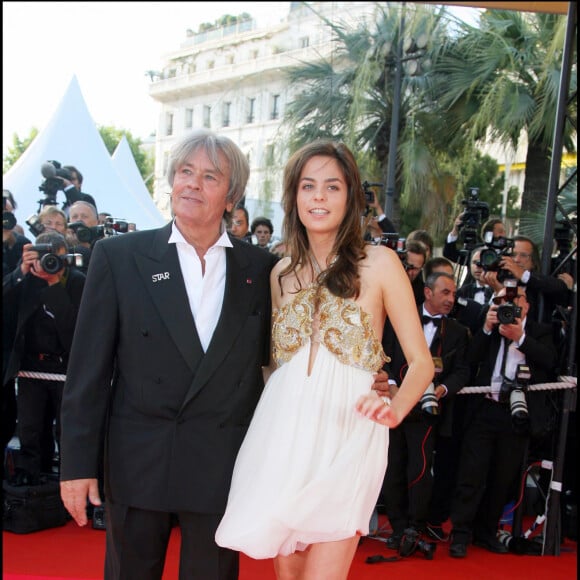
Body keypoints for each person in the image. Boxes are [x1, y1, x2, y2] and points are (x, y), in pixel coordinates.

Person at [59, 129, 278, 580]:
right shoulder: (119, 257)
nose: (192, 184)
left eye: (209, 176)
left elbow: (283, 358)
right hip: (139, 459)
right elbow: (88, 374)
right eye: (185, 172)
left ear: (232, 195)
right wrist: (77, 467)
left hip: (220, 461)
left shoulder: (261, 269)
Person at [215, 140, 434, 579]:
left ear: (351, 196)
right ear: (294, 196)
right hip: (283, 432)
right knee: (289, 574)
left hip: (349, 430)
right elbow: (276, 365)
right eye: (308, 186)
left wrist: (392, 408)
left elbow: (422, 363)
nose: (319, 197)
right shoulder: (280, 272)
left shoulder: (381, 263)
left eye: (332, 187)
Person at [448, 285, 558, 558]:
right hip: (484, 408)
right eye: (502, 300)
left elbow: (550, 361)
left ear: (528, 305)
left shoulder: (541, 331)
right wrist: (486, 329)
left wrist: (521, 338)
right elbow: (470, 359)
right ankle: (460, 535)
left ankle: (486, 533)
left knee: (502, 477)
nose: (508, 305)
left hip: (516, 414)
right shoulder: (491, 325)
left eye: (515, 299)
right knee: (471, 474)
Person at [381, 272, 471, 551]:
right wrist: (394, 387)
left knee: (419, 470)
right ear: (428, 293)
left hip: (428, 411)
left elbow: (463, 371)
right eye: (445, 293)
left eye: (453, 294)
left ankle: (415, 526)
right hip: (395, 405)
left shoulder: (456, 332)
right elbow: (385, 353)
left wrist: (441, 390)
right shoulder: (400, 319)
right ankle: (396, 527)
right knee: (393, 467)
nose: (450, 299)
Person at [3, 231, 86, 484]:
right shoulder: (24, 279)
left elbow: (74, 328)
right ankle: (30, 485)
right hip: (30, 369)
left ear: (66, 258)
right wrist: (20, 272)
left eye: (55, 258)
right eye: (44, 257)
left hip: (66, 367)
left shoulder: (76, 281)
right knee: (30, 430)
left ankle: (67, 485)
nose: (50, 263)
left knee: (67, 432)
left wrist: (53, 284)